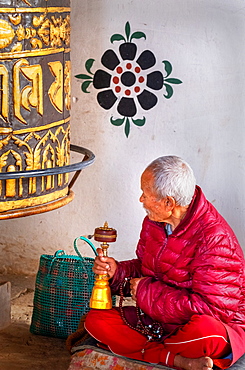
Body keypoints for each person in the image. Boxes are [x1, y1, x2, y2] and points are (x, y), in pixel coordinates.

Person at [85, 156, 245, 370]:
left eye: (146, 194)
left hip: (207, 326)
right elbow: (144, 267)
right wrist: (117, 271)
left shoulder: (215, 239)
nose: (141, 199)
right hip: (158, 321)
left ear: (169, 203)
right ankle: (177, 360)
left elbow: (211, 310)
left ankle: (146, 350)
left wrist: (146, 292)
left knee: (204, 333)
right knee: (95, 320)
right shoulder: (154, 222)